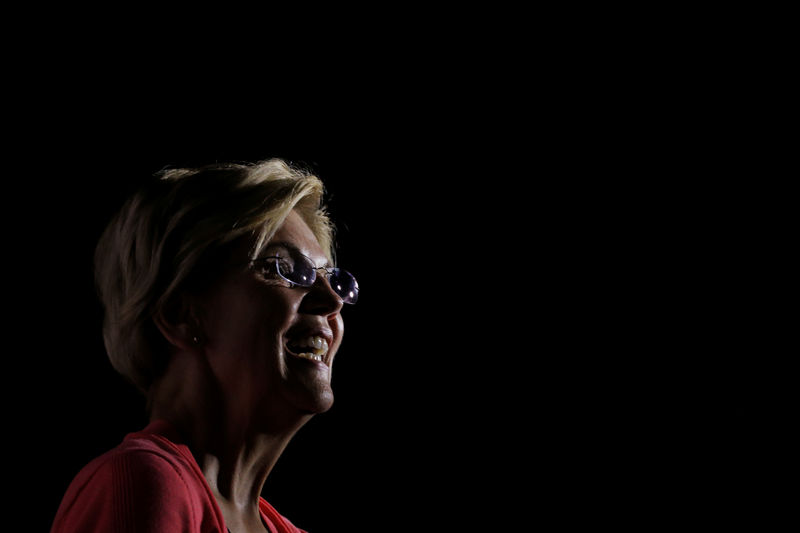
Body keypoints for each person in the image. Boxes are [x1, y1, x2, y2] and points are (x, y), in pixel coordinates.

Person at [52, 159, 358, 533]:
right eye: (284, 269)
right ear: (182, 314)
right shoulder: (146, 482)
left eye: (334, 279)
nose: (331, 301)